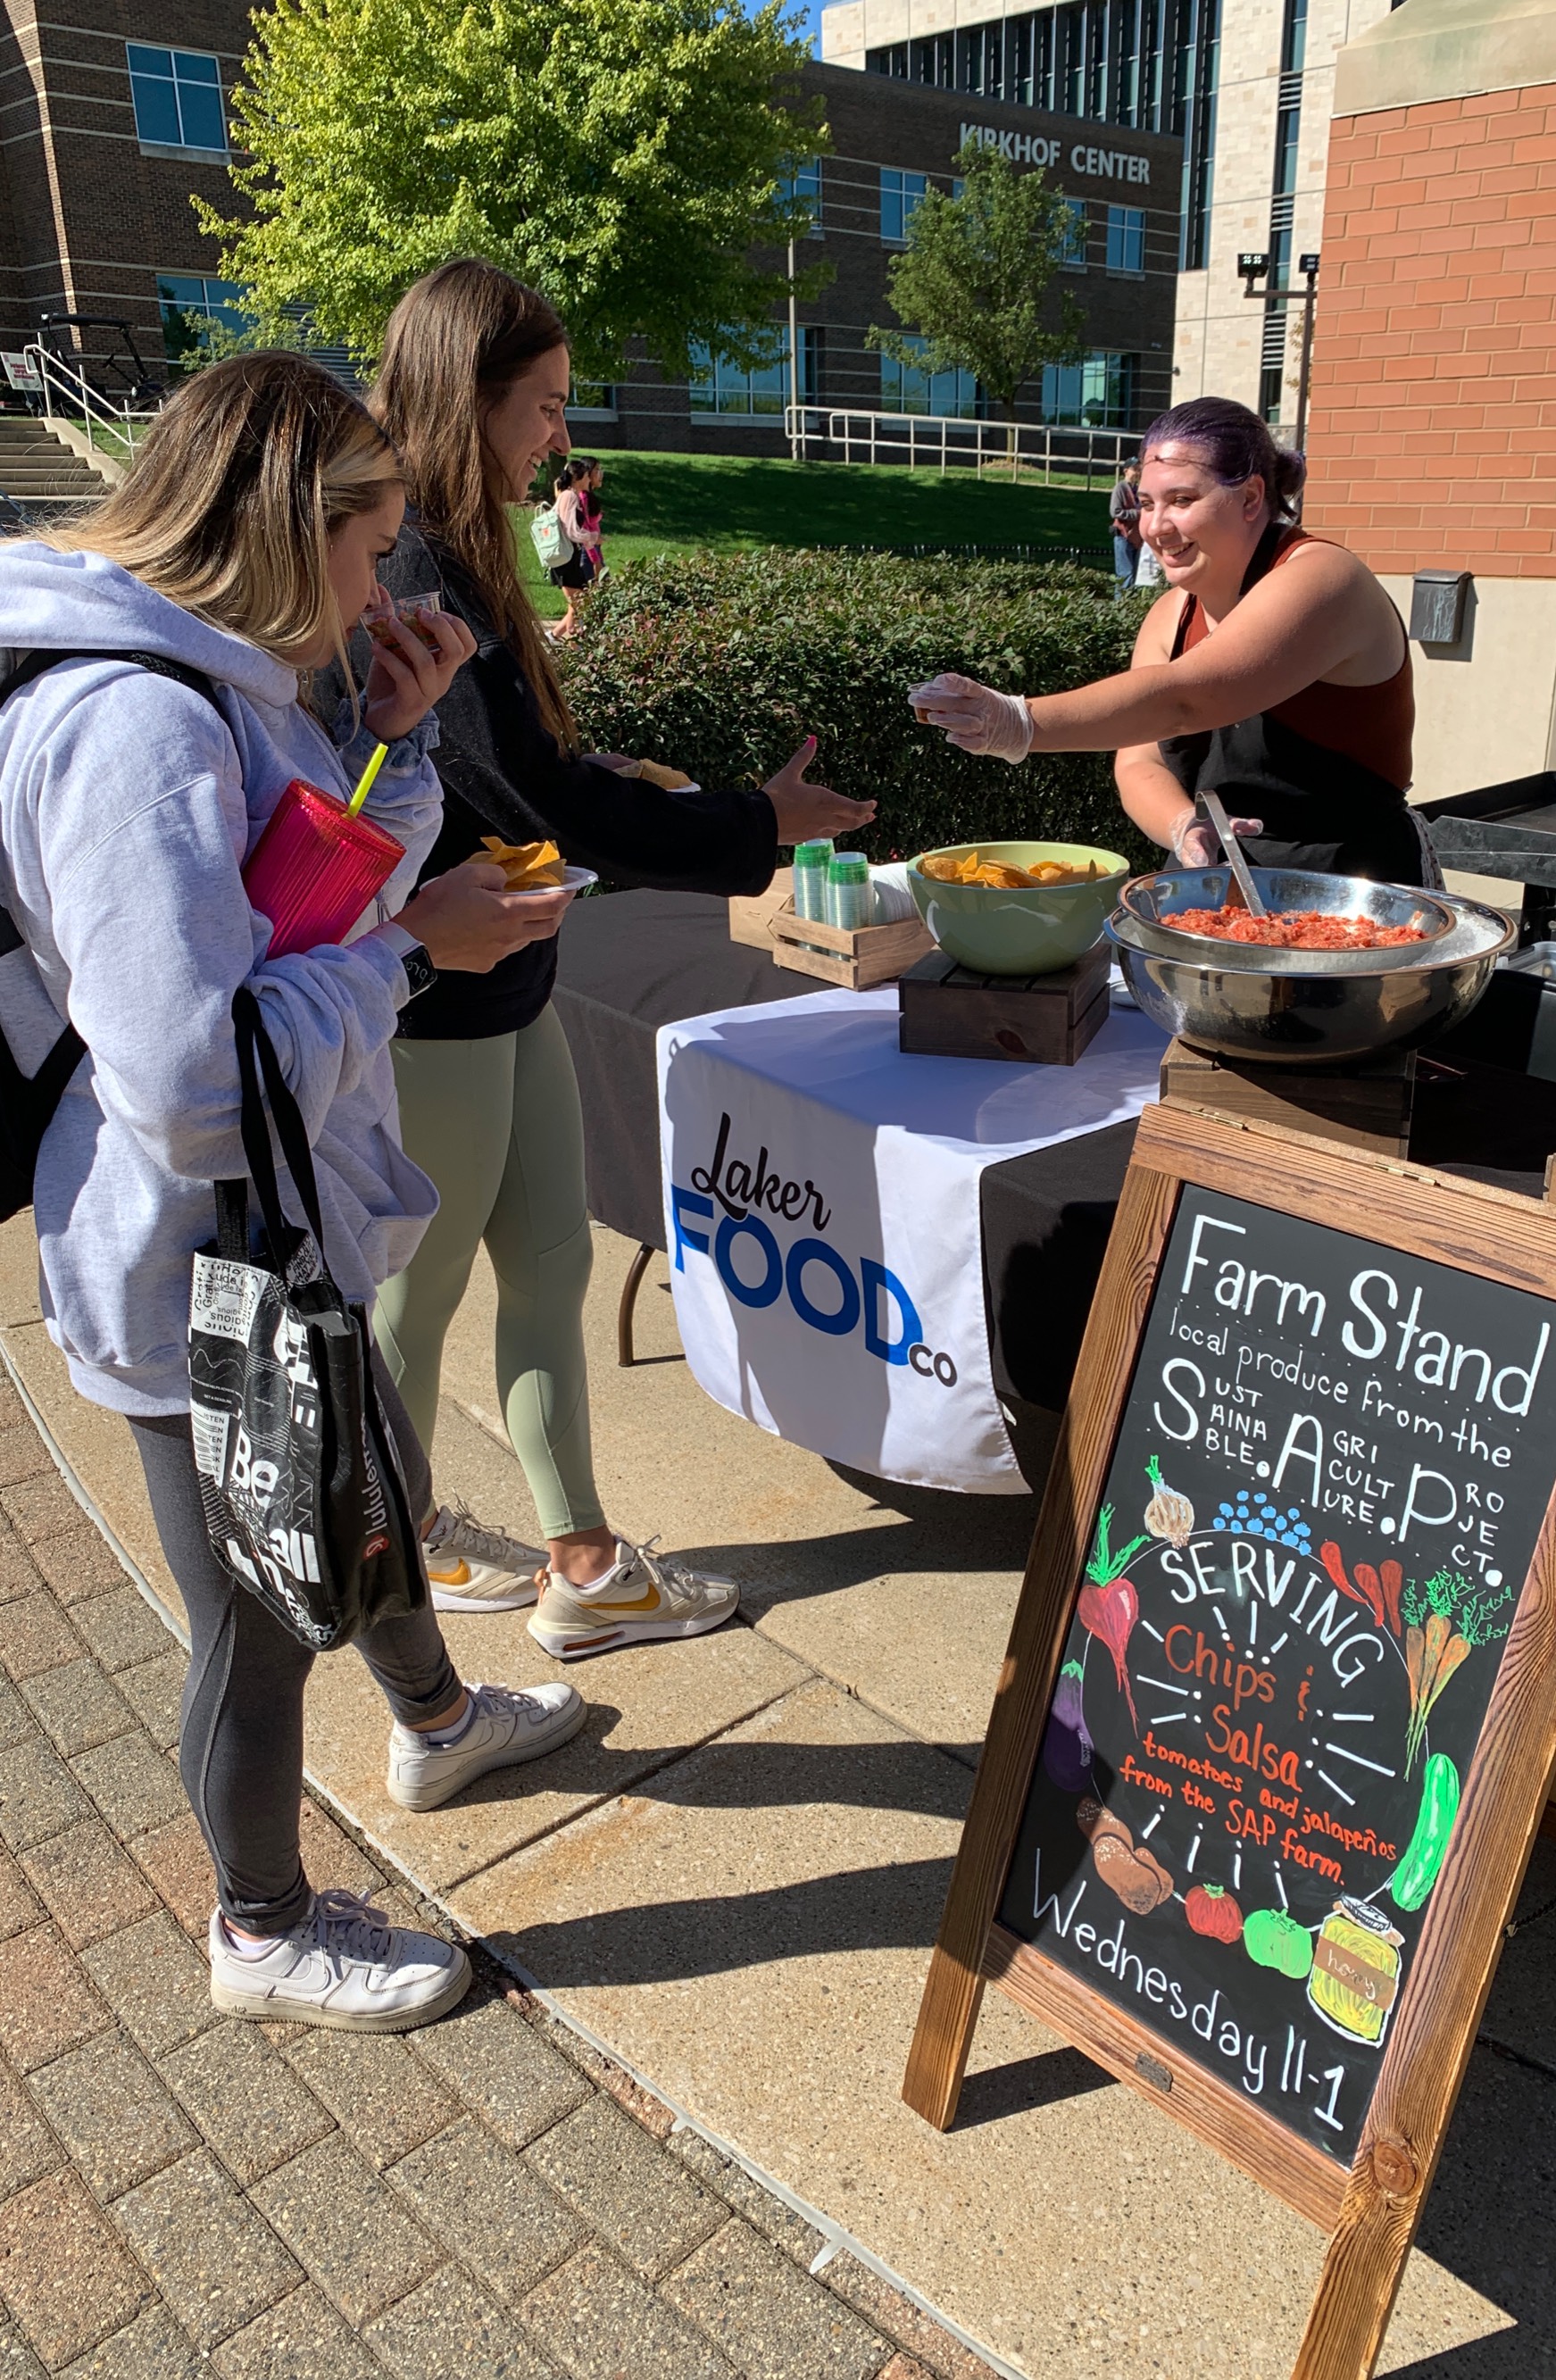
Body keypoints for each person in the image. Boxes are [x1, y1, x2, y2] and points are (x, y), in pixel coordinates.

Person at [0, 354, 592, 2030]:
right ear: (284, 523)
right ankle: (258, 1926)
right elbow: (193, 1089)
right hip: (194, 1265)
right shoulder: (133, 725)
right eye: (371, 546)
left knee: (374, 1477)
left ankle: (439, 1720)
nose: (380, 588)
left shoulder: (221, 680)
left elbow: (294, 896)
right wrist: (418, 953)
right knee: (258, 1628)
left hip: (270, 1238)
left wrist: (393, 742)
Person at [355, 258, 875, 1651]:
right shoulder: (406, 561)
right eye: (546, 405)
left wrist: (659, 793)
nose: (563, 438)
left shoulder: (461, 552)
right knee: (415, 1306)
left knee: (549, 1263)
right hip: (437, 1000)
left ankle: (583, 1563)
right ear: (469, 398)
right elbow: (531, 802)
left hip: (512, 978)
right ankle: (393, 1586)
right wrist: (753, 822)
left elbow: (523, 772)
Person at [918, 398, 1421, 885]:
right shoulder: (1170, 613)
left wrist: (1018, 722)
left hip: (1351, 886)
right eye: (1146, 504)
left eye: (1181, 500)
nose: (1156, 527)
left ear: (1249, 498)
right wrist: (1183, 825)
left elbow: (1184, 699)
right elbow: (1139, 760)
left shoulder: (1324, 577)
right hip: (1212, 883)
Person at [544, 457, 602, 643]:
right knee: (579, 604)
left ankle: (556, 638)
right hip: (566, 560)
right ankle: (572, 645)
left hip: (569, 559)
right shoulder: (570, 496)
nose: (589, 480)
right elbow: (571, 530)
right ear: (578, 478)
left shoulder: (567, 494)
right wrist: (593, 538)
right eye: (586, 477)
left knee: (577, 605)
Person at [1111, 460, 1142, 591]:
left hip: (1136, 538)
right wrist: (1137, 514)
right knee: (1125, 575)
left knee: (1134, 575)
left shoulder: (1138, 489)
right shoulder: (1120, 488)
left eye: (1139, 469)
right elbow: (1115, 511)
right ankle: (1121, 605)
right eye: (1135, 469)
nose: (1138, 472)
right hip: (1123, 537)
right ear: (1126, 471)